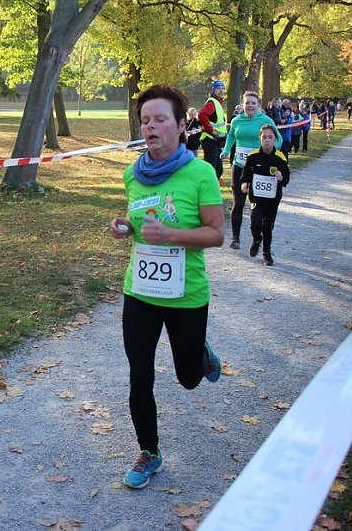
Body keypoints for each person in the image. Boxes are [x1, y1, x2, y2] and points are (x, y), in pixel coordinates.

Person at [109, 84, 224, 490]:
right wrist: (126, 228)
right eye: (145, 120)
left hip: (185, 295)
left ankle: (201, 358)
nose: (151, 127)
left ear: (181, 124)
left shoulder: (200, 173)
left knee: (188, 379)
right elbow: (139, 224)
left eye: (160, 119)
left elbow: (216, 235)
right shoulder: (131, 173)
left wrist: (172, 235)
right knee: (139, 375)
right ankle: (149, 452)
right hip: (140, 290)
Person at [220, 91, 282, 250]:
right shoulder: (236, 120)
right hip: (239, 166)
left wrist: (267, 153)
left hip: (258, 169)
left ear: (259, 105)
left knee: (259, 205)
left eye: (253, 103)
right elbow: (231, 137)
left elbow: (279, 139)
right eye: (247, 103)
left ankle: (258, 236)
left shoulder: (265, 120)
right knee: (238, 203)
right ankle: (235, 238)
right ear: (243, 104)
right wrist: (226, 150)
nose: (250, 106)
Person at [240, 124, 290, 266]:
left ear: (275, 139)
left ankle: (266, 253)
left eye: (270, 137)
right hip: (256, 197)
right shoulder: (253, 156)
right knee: (255, 224)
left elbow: (286, 177)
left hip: (272, 200)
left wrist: (282, 178)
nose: (267, 140)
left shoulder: (280, 158)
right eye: (264, 137)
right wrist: (244, 183)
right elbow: (246, 172)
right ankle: (256, 240)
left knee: (267, 227)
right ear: (259, 139)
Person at [197, 80, 227, 180]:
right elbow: (201, 115)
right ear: (213, 90)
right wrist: (211, 130)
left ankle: (211, 189)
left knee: (218, 170)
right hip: (210, 140)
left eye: (223, 88)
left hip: (215, 141)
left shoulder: (218, 102)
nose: (221, 91)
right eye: (218, 89)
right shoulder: (212, 102)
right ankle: (205, 189)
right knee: (211, 169)